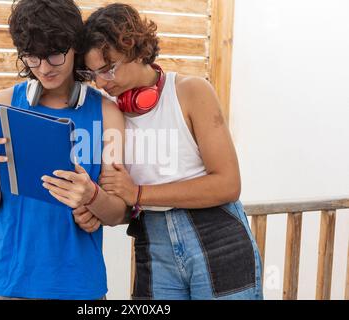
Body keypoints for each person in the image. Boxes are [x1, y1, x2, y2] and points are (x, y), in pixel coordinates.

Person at [76, 3, 264, 300]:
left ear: (137, 50)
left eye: (109, 69)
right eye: (93, 74)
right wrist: (97, 209)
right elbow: (122, 202)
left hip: (218, 238)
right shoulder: (109, 115)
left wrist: (139, 193)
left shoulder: (191, 91)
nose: (101, 83)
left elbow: (228, 184)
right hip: (152, 241)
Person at [0, 0, 126, 300]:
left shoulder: (107, 113)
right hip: (8, 281)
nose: (43, 68)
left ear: (74, 46)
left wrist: (93, 200)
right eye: (33, 57)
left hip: (77, 284)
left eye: (55, 55)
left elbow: (119, 212)